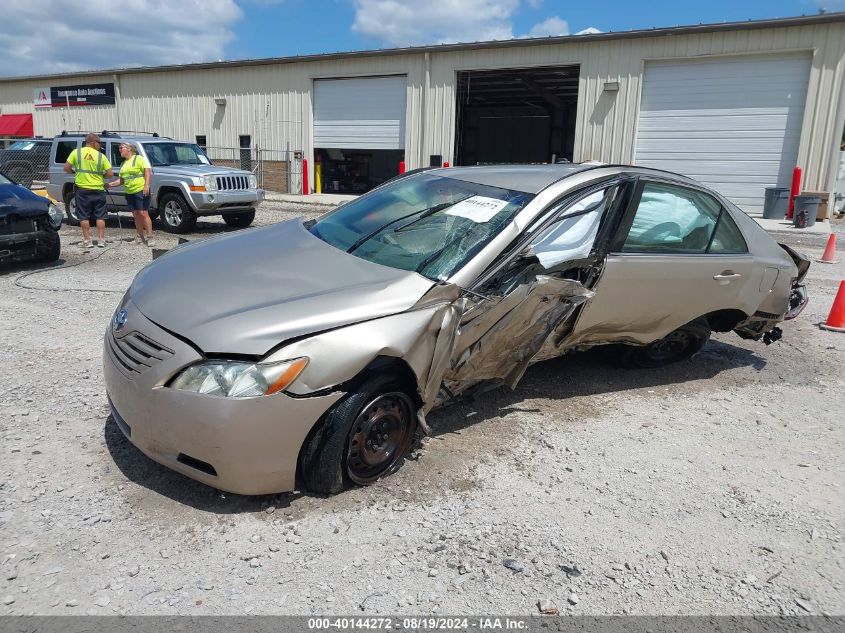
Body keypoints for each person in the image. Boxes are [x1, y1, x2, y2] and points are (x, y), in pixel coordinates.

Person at [64, 133, 113, 249]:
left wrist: (75, 173)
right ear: (93, 142)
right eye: (99, 143)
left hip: (83, 190)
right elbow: (110, 174)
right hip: (98, 190)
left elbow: (66, 168)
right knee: (100, 216)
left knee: (84, 216)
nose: (100, 146)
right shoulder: (101, 156)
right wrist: (101, 177)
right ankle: (101, 240)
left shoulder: (76, 152)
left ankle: (87, 241)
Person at [107, 142, 154, 246]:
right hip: (129, 192)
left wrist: (146, 185)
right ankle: (139, 237)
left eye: (121, 148)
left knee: (143, 213)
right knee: (136, 215)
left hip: (140, 190)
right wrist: (109, 185)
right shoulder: (123, 164)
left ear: (129, 149)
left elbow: (147, 171)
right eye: (119, 148)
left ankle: (150, 237)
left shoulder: (139, 159)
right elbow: (121, 181)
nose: (119, 150)